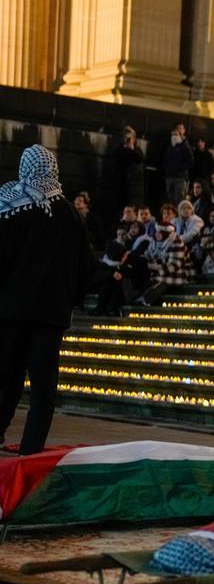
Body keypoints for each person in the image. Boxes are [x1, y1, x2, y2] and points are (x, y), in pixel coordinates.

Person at [0, 145, 91, 455]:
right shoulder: (70, 214)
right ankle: (31, 449)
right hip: (50, 315)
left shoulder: (8, 206)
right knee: (42, 388)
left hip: (9, 310)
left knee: (6, 378)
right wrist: (70, 300)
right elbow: (83, 266)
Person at [112, 126, 146, 207]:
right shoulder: (120, 149)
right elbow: (116, 158)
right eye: (126, 137)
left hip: (134, 186)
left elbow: (140, 159)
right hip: (122, 185)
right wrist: (124, 148)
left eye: (130, 137)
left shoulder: (137, 150)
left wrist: (132, 149)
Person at [162, 122, 193, 203]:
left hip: (180, 177)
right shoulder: (170, 146)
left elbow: (190, 160)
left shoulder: (184, 145)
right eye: (173, 135)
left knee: (179, 199)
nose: (174, 136)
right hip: (169, 176)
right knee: (169, 198)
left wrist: (180, 169)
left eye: (176, 134)